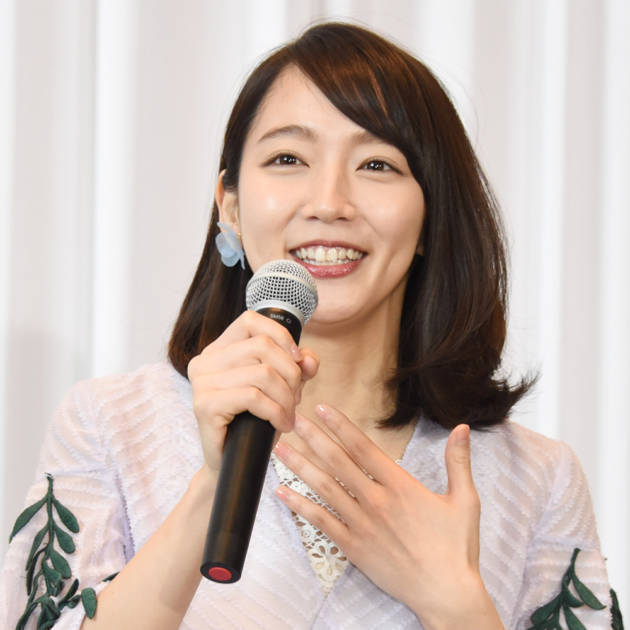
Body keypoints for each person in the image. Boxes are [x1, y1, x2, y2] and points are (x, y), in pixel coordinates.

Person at [0, 21, 621, 630]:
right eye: (287, 158)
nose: (329, 203)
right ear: (230, 206)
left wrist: (455, 604)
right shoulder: (109, 426)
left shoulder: (538, 479)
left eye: (376, 165)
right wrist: (213, 485)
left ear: (431, 217)